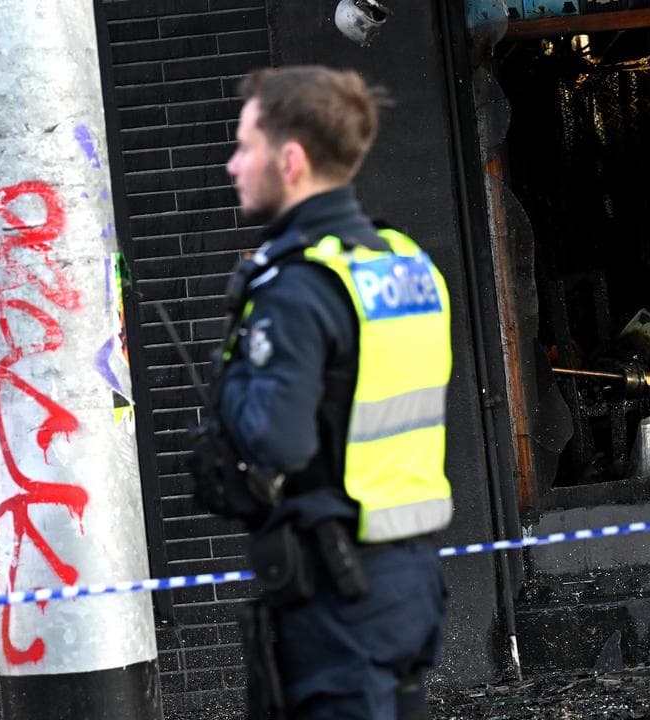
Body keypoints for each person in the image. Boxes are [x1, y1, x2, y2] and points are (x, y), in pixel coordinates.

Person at [203, 65, 453, 720]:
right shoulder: (406, 263)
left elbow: (276, 440)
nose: (232, 165)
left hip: (336, 596)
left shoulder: (298, 287)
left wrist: (227, 384)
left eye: (244, 147)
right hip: (412, 582)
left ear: (290, 160)